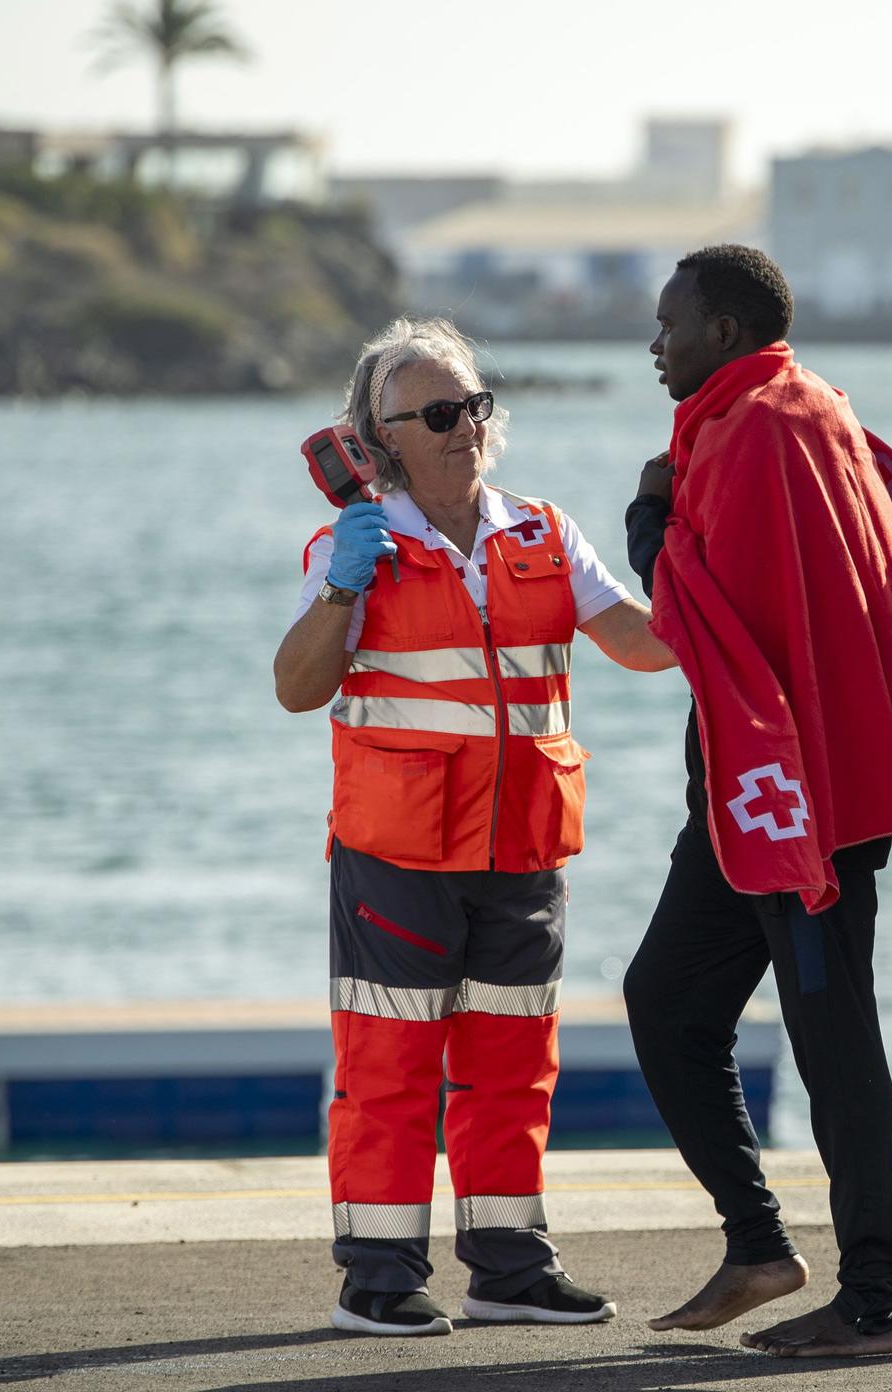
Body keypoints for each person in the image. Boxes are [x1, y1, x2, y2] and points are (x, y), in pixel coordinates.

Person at [619, 245, 892, 1359]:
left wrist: (644, 520)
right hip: (748, 796)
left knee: (833, 1037)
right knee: (665, 1003)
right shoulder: (798, 411)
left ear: (721, 330)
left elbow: (692, 607)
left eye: (668, 324)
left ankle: (871, 1301)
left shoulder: (760, 428)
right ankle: (759, 1246)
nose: (653, 344)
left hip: (805, 804)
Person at [274, 316, 675, 1337]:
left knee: (512, 1066)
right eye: (439, 414)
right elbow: (295, 687)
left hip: (523, 849)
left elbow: (640, 643)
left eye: (474, 406)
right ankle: (376, 1275)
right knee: (388, 1068)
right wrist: (340, 588)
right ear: (380, 437)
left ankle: (508, 1268)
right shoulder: (351, 544)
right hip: (396, 855)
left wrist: (702, 564)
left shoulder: (542, 530)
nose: (466, 428)